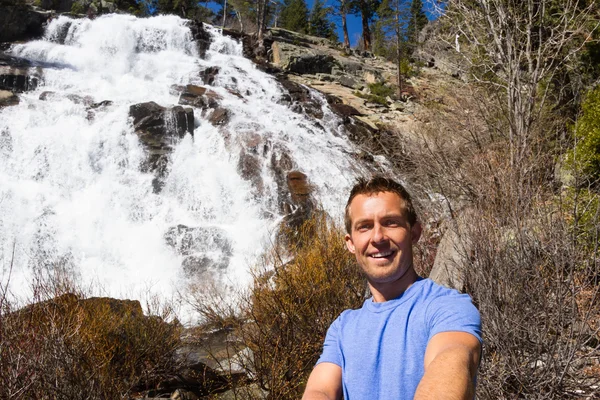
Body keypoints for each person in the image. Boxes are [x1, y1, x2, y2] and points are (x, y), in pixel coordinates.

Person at [302, 176, 482, 400]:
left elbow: (452, 360)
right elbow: (320, 390)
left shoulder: (449, 307)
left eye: (390, 223)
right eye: (365, 227)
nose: (378, 237)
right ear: (350, 242)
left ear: (414, 233)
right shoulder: (342, 328)